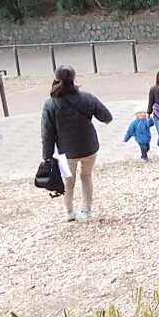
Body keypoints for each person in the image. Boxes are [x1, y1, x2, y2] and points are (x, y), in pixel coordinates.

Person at [40, 66, 114, 222]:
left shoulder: (50, 104)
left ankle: (69, 212)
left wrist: (47, 156)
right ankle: (86, 211)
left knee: (68, 180)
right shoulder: (87, 98)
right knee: (86, 176)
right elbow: (107, 117)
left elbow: (47, 134)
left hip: (66, 153)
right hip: (89, 147)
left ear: (56, 78)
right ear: (74, 78)